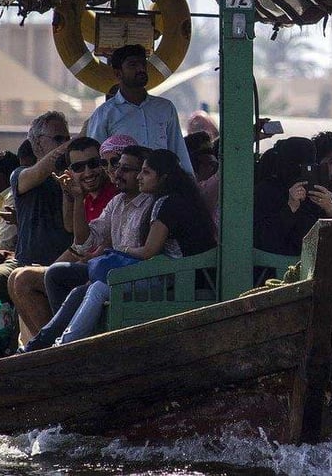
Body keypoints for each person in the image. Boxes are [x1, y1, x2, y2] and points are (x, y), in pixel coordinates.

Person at [27, 147, 216, 349]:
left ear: (163, 178)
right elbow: (85, 241)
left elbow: (148, 252)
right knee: (67, 279)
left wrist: (119, 250)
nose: (116, 174)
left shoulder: (161, 203)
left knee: (96, 287)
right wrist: (78, 199)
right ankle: (56, 342)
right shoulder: (126, 202)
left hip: (172, 278)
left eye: (144, 172)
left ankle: (64, 345)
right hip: (156, 272)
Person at [0, 111, 73, 323]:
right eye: (58, 139)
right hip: (24, 261)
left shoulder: (73, 177)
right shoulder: (21, 175)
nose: (65, 144)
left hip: (59, 262)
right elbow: (40, 171)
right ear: (37, 144)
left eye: (67, 139)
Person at [8, 135, 118, 342]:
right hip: (86, 257)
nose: (88, 172)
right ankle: (43, 344)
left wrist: (73, 261)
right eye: (78, 168)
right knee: (17, 276)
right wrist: (71, 195)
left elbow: (102, 245)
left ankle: (50, 344)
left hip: (101, 266)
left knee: (28, 279)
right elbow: (74, 231)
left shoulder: (113, 194)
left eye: (94, 164)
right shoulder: (84, 195)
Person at [84, 44, 192, 173]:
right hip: (122, 188)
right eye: (133, 65)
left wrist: (188, 185)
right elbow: (96, 159)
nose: (140, 69)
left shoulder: (165, 108)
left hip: (161, 187)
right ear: (118, 73)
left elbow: (178, 150)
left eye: (143, 64)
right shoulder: (105, 114)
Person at [254, 137, 332, 257]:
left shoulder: (312, 190)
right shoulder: (268, 191)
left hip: (314, 260)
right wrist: (290, 207)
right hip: (283, 264)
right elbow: (266, 239)